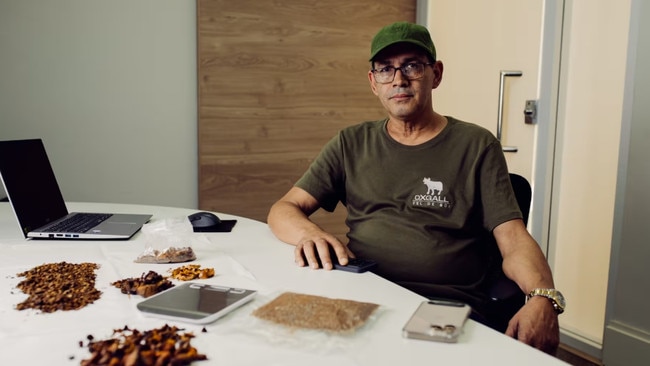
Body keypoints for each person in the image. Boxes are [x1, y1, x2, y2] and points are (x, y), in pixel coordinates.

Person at [267, 21, 562, 354]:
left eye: (411, 66)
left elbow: (513, 238)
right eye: (385, 69)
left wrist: (543, 296)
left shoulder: (476, 145)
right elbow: (283, 209)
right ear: (373, 82)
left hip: (439, 305)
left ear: (435, 74)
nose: (398, 79)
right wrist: (309, 234)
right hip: (364, 292)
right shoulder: (351, 143)